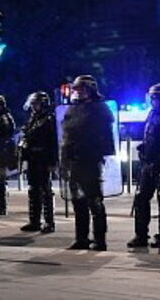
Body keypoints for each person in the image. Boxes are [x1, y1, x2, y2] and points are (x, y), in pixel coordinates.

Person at [60, 74, 115, 251]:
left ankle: (100, 240)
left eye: (81, 89)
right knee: (78, 201)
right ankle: (81, 238)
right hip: (74, 160)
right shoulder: (72, 109)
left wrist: (98, 153)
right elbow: (66, 136)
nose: (78, 92)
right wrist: (64, 159)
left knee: (94, 201)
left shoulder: (99, 108)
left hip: (90, 159)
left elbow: (104, 136)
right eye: (76, 89)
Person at [128, 83, 160, 249]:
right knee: (141, 198)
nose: (152, 101)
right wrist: (144, 149)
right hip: (148, 163)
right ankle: (140, 234)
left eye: (155, 98)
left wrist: (158, 162)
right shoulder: (152, 114)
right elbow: (149, 136)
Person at [19, 91, 58, 234]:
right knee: (33, 190)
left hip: (43, 157)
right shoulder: (33, 118)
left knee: (45, 190)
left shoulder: (49, 119)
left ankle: (49, 222)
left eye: (36, 103)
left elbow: (53, 141)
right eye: (33, 104)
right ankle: (34, 221)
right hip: (32, 157)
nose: (34, 106)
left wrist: (53, 160)